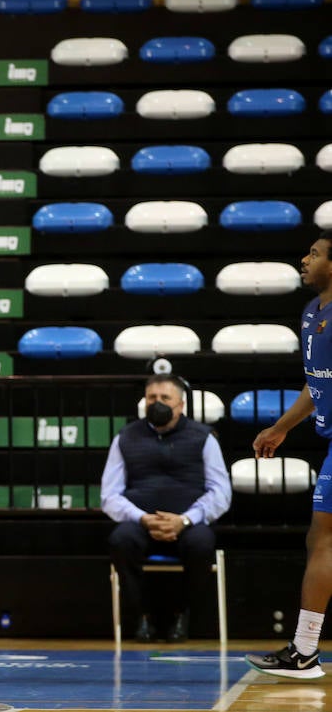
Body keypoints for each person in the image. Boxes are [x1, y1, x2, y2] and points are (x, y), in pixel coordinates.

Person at [248, 231, 332, 679]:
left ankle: (304, 651)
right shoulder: (311, 313)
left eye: (315, 254)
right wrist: (281, 427)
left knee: (324, 539)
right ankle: (304, 651)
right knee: (322, 538)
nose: (305, 259)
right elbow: (318, 382)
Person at [101, 373, 231, 643]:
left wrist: (184, 520)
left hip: (188, 524)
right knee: (121, 540)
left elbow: (220, 492)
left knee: (202, 544)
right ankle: (141, 618)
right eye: (152, 398)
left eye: (164, 398)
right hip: (140, 524)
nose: (157, 403)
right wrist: (144, 519)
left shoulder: (204, 437)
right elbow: (109, 495)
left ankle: (182, 615)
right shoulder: (125, 437)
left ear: (180, 405)